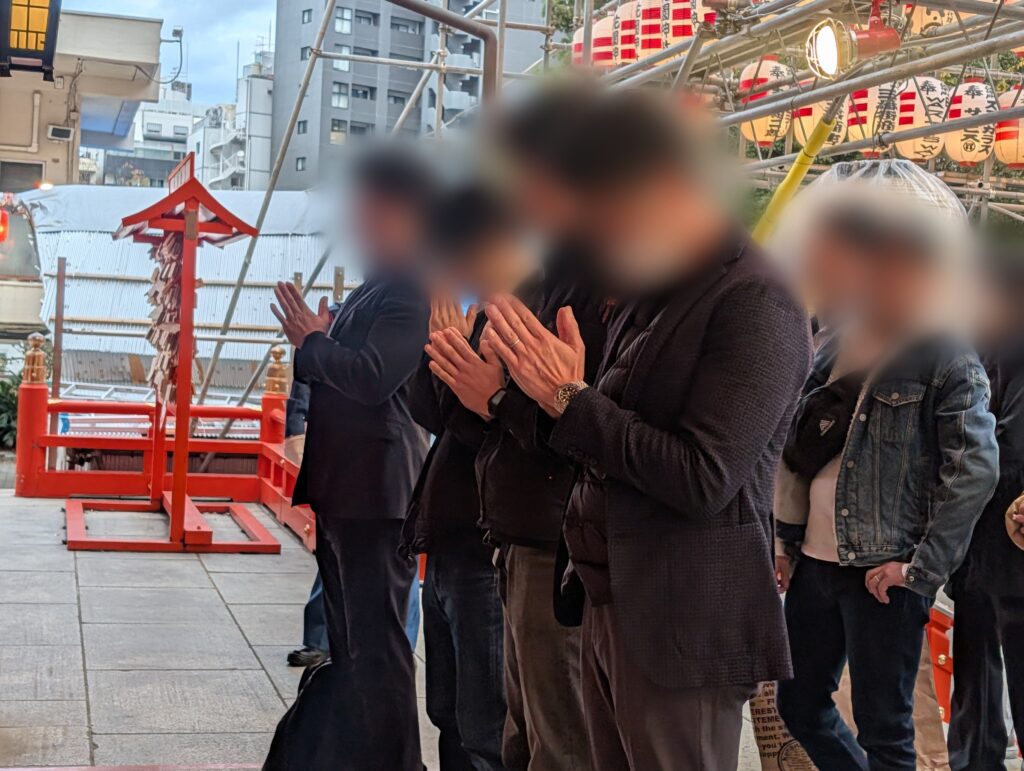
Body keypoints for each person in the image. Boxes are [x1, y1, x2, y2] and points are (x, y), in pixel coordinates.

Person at [437, 88, 811, 770]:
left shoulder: (757, 297)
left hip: (681, 615)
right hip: (610, 591)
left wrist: (562, 397)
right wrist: (524, 396)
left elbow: (703, 476)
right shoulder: (656, 290)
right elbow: (589, 430)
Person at [773, 174, 999, 771]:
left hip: (883, 571)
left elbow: (974, 469)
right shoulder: (837, 339)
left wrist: (921, 569)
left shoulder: (946, 354)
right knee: (799, 703)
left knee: (886, 729)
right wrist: (785, 540)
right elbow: (797, 447)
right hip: (814, 563)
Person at [428, 82, 610, 771]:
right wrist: (450, 364)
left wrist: (498, 400)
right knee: (514, 732)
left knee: (554, 738)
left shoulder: (600, 279)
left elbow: (585, 417)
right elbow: (451, 413)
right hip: (505, 524)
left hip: (555, 532)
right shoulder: (540, 276)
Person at [263, 145, 435, 771]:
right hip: (348, 488)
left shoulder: (412, 289)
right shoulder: (375, 287)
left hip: (378, 493)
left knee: (379, 648)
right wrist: (315, 342)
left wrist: (313, 343)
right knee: (351, 645)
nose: (363, 226)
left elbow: (371, 377)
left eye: (374, 214)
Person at [405, 183, 542, 770]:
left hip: (492, 545)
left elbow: (505, 432)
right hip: (450, 536)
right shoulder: (482, 313)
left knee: (487, 724)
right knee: (448, 712)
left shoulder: (535, 314)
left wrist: (467, 374)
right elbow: (432, 413)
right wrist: (438, 351)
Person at [947, 247, 1024, 771]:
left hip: (1010, 548)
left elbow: (1005, 446)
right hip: (976, 545)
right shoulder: (977, 350)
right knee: (974, 673)